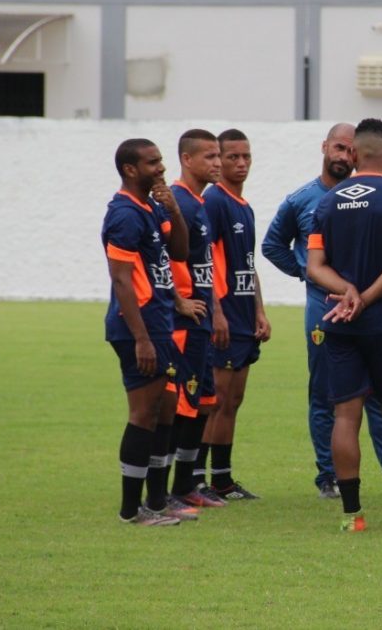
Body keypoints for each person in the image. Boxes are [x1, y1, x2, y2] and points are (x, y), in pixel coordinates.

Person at [261, 123, 382, 500]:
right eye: (337, 147)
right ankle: (329, 476)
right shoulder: (303, 199)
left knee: (380, 395)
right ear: (325, 147)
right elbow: (272, 245)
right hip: (323, 309)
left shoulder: (372, 197)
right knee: (326, 395)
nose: (342, 155)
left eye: (349, 149)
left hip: (370, 304)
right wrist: (308, 274)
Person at [306, 118, 382, 533]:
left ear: (353, 155)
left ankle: (351, 515)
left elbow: (314, 266)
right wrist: (366, 299)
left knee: (344, 416)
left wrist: (348, 293)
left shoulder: (327, 202)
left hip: (338, 322)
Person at [103, 138, 192, 526]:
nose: (161, 167)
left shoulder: (153, 208)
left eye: (160, 161)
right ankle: (130, 511)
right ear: (130, 169)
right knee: (143, 414)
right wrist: (140, 338)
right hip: (136, 328)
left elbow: (180, 253)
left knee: (162, 410)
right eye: (153, 162)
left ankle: (156, 502)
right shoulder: (124, 214)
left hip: (159, 324)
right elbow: (121, 280)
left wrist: (173, 209)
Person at [200, 128, 271, 501]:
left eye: (246, 156)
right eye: (232, 157)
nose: (240, 163)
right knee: (214, 401)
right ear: (218, 159)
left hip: (244, 318)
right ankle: (196, 480)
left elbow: (247, 263)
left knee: (232, 401)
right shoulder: (214, 202)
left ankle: (222, 481)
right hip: (224, 317)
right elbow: (205, 260)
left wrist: (259, 309)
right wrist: (216, 313)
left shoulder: (244, 205)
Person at [167, 129, 228, 509]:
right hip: (183, 327)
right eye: (209, 156)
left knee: (204, 402)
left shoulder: (197, 203)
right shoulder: (178, 204)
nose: (218, 163)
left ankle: (186, 483)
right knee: (182, 406)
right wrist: (178, 301)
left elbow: (202, 267)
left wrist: (213, 309)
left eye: (218, 155)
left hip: (202, 324)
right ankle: (170, 488)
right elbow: (159, 257)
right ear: (187, 160)